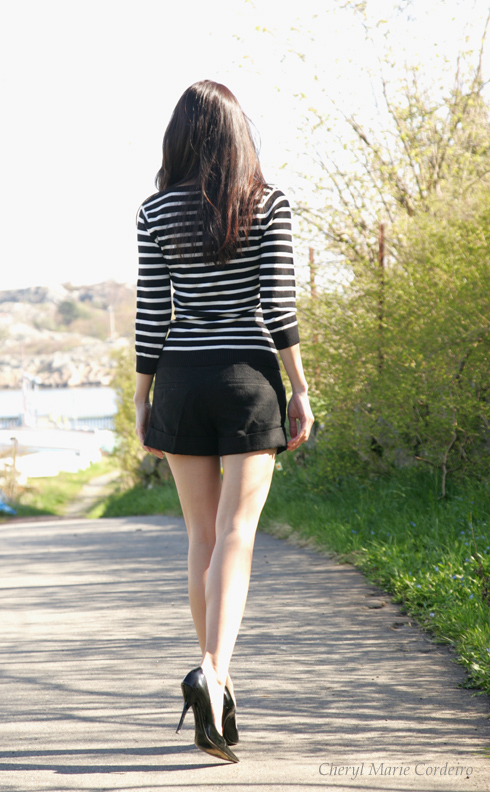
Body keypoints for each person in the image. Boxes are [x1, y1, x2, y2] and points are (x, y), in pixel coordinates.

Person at [133, 80, 314, 763]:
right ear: (239, 135)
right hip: (246, 379)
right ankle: (212, 671)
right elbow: (279, 307)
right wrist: (300, 389)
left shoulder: (155, 213)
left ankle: (218, 678)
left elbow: (154, 316)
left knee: (201, 536)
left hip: (180, 379)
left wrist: (143, 402)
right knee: (238, 533)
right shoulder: (267, 204)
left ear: (179, 138)